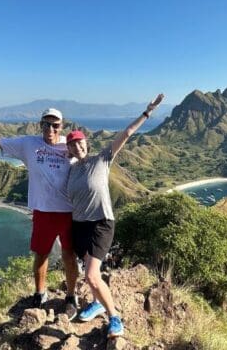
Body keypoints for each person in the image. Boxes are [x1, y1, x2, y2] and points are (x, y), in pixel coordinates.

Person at [0, 103, 79, 317]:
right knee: (41, 255)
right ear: (40, 125)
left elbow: (91, 161)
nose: (50, 129)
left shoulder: (70, 145)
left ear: (62, 126)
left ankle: (71, 296)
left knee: (69, 255)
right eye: (46, 124)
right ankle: (39, 294)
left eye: (55, 125)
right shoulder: (28, 144)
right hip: (42, 212)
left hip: (68, 212)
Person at [65, 94, 164, 338]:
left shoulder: (102, 159)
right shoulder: (71, 169)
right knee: (92, 276)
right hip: (79, 226)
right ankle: (97, 304)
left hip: (101, 224)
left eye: (80, 143)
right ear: (68, 148)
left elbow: (127, 134)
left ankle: (114, 317)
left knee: (90, 275)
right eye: (73, 144)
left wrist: (147, 112)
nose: (78, 147)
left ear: (86, 143)